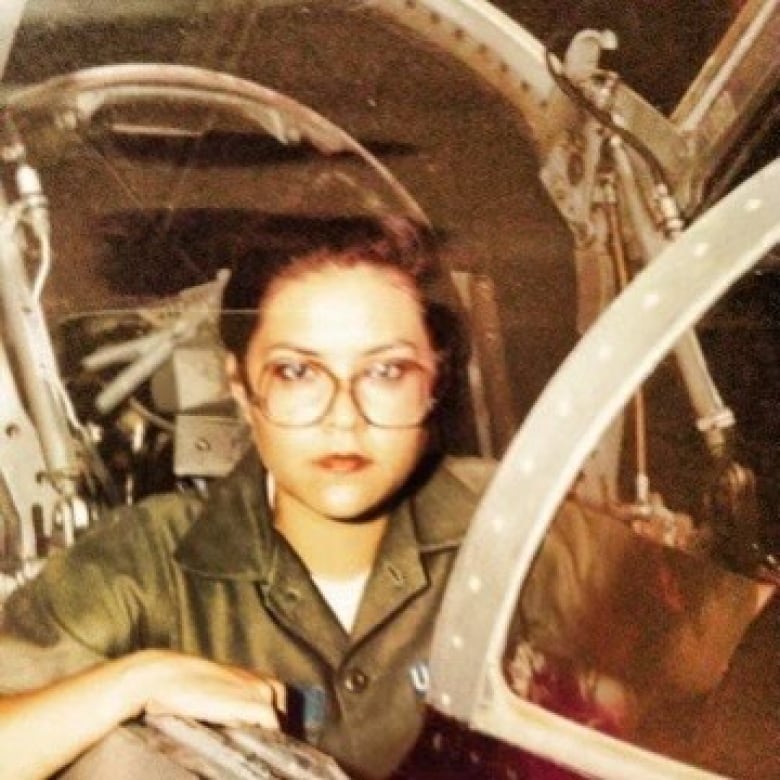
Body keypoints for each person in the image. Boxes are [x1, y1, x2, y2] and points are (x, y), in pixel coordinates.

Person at [0, 215, 494, 780]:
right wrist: (136, 680)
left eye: (385, 371)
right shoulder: (140, 564)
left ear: (434, 381)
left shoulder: (522, 533)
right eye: (297, 371)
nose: (343, 419)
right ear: (241, 386)